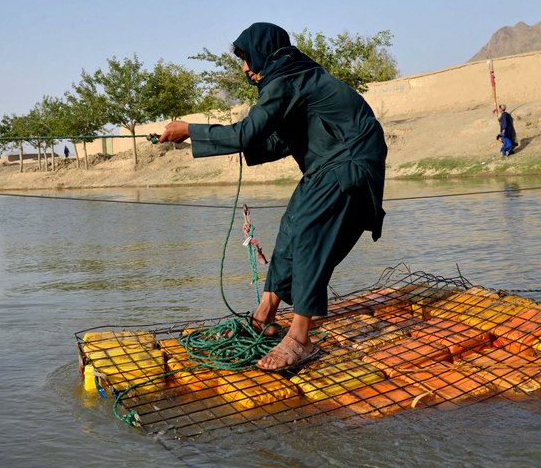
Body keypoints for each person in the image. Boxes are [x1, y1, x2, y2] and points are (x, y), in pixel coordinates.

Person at [159, 22, 387, 371]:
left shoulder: (288, 79)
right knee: (292, 227)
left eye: (247, 59)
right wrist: (217, 142)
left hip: (350, 163)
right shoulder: (295, 78)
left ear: (265, 53)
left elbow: (249, 132)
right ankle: (264, 316)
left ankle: (300, 339)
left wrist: (191, 129)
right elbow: (278, 139)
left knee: (310, 235)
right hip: (328, 164)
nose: (246, 69)